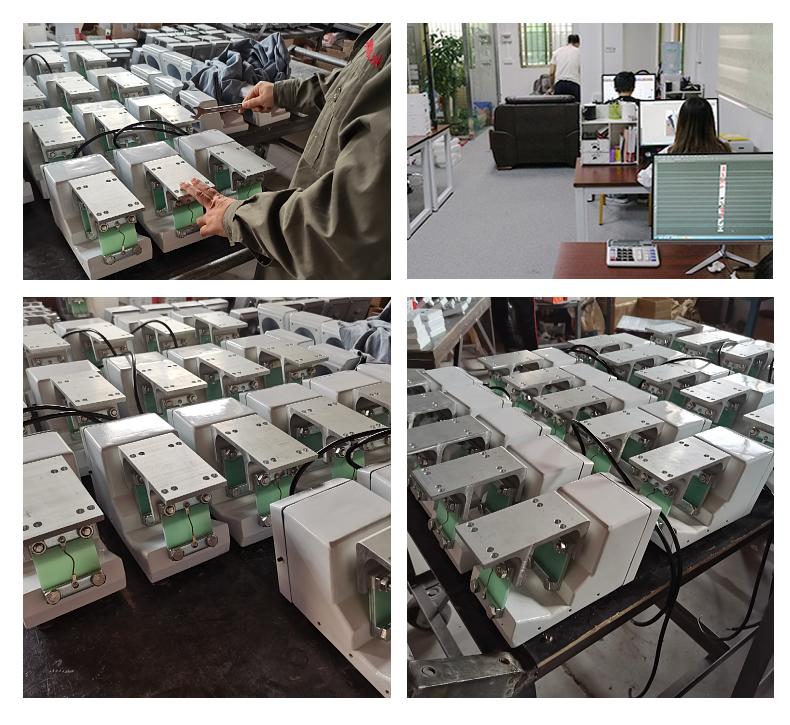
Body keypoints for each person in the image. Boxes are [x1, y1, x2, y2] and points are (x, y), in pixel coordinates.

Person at [179, 23, 391, 280]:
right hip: (300, 223)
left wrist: (239, 216)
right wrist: (282, 92)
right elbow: (348, 85)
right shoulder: (388, 31)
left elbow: (348, 221)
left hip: (318, 254)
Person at [637, 96, 730, 187]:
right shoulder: (726, 152)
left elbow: (644, 179)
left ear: (681, 123)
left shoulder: (669, 154)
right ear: (711, 122)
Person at [549, 34, 581, 101]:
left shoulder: (557, 52)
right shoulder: (579, 52)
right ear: (578, 43)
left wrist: (552, 88)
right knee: (575, 106)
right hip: (574, 84)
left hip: (559, 85)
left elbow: (551, 73)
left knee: (559, 107)